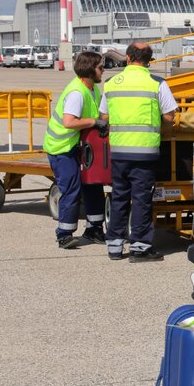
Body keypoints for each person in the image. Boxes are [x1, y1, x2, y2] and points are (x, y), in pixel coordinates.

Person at [100, 43, 178, 262]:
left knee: (119, 198)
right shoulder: (157, 83)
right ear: (149, 60)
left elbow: (104, 117)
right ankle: (140, 247)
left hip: (119, 152)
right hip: (145, 152)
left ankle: (114, 246)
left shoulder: (111, 83)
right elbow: (170, 116)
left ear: (127, 57)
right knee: (142, 199)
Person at [43, 51, 109, 249]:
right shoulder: (76, 93)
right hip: (61, 148)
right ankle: (64, 234)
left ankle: (94, 229)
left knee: (94, 184)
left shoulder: (93, 89)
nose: (103, 70)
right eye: (100, 67)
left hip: (78, 146)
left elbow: (98, 115)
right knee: (72, 188)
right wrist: (95, 122)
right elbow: (69, 122)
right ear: (90, 70)